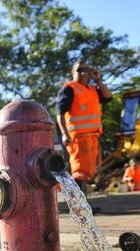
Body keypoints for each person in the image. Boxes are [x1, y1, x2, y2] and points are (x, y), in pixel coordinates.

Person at [56, 61, 113, 193]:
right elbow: (60, 113)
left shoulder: (92, 89)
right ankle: (80, 209)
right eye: (79, 70)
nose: (82, 73)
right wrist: (64, 134)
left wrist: (98, 79)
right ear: (73, 73)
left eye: (86, 70)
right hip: (78, 138)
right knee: (79, 171)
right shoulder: (69, 88)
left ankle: (83, 207)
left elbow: (108, 96)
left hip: (92, 137)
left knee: (87, 172)